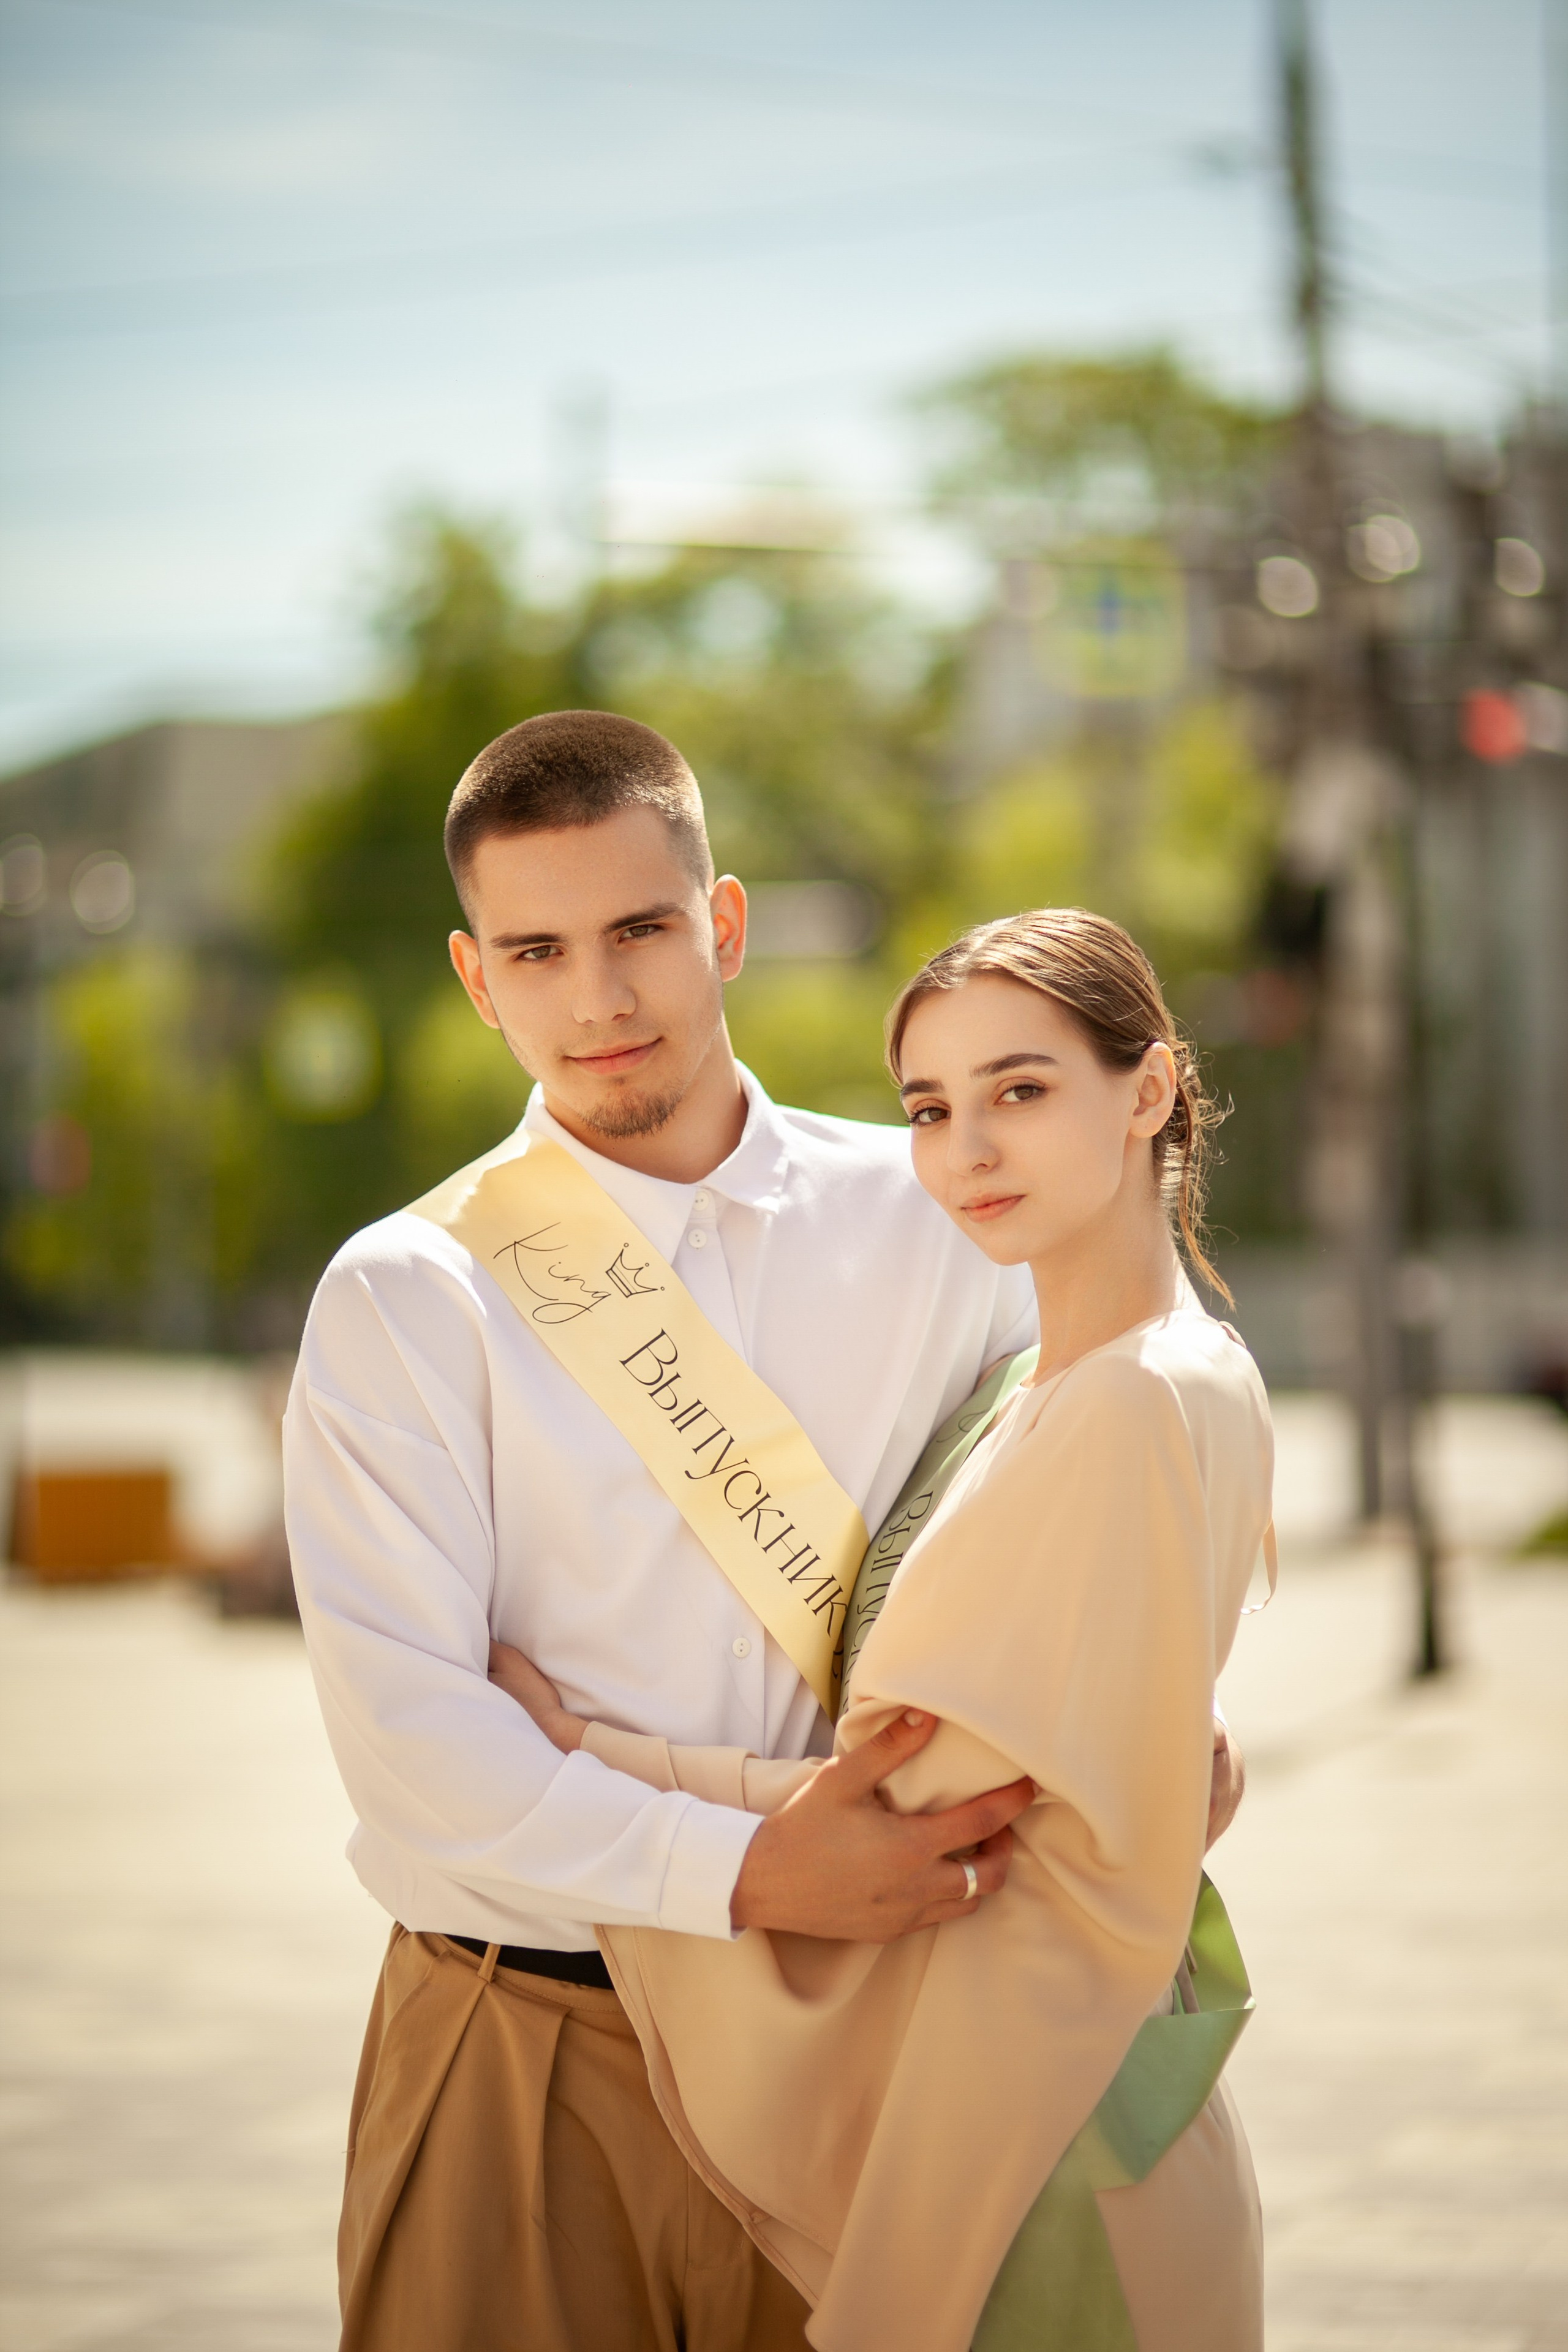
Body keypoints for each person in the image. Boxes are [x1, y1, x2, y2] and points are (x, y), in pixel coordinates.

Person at [282, 711, 1245, 2352]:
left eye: (642, 931)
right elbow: (418, 1750)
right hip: (527, 2034)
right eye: (538, 949)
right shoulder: (411, 1294)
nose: (599, 998)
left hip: (866, 2035)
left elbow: (1090, 1493)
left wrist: (1154, 1720)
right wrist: (749, 1867)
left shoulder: (944, 1209)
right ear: (476, 979)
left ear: (720, 925)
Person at [489, 908, 1273, 2352]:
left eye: (1019, 1092)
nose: (964, 1151)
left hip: (1041, 2158)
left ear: (1148, 1091)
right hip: (1093, 2102)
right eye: (928, 1107)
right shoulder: (1141, 1369)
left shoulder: (1113, 1406)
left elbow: (925, 1831)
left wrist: (578, 1757)